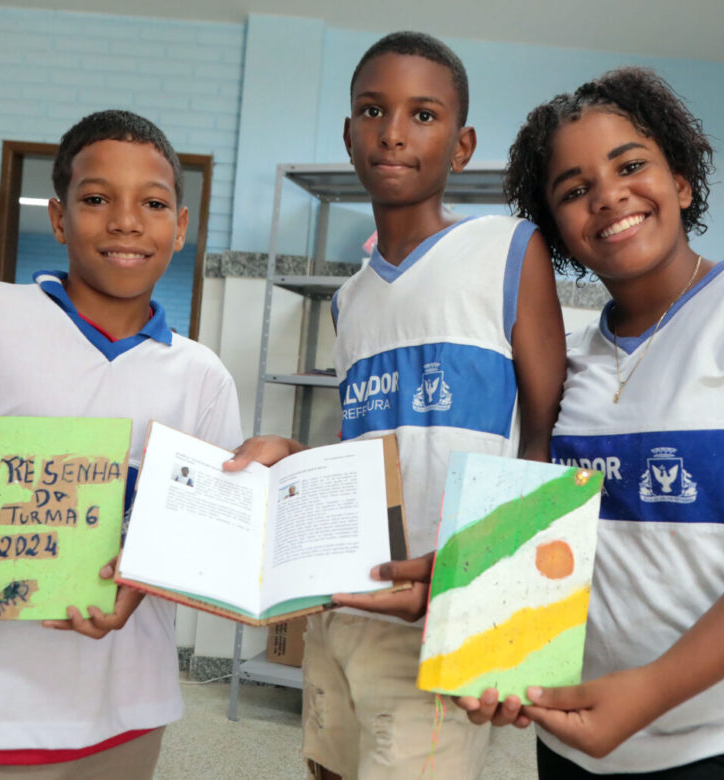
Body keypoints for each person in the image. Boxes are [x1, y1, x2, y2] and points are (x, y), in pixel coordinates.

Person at [451, 67, 724, 778]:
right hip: (578, 734)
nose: (608, 194)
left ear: (681, 183)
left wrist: (651, 690)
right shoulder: (575, 363)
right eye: (573, 189)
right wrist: (472, 611)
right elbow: (543, 542)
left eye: (630, 165)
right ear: (558, 230)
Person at [0, 110, 243, 779]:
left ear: (179, 227)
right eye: (97, 199)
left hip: (126, 713)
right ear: (59, 219)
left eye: (152, 203)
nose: (125, 221)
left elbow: (206, 541)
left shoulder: (203, 378)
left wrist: (145, 578)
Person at [227, 31, 566, 780]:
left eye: (423, 115)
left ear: (463, 142)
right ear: (349, 133)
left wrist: (492, 611)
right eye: (373, 111)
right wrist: (293, 454)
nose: (393, 132)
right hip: (345, 603)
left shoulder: (510, 251)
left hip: (443, 616)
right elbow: (373, 457)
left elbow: (545, 441)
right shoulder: (351, 300)